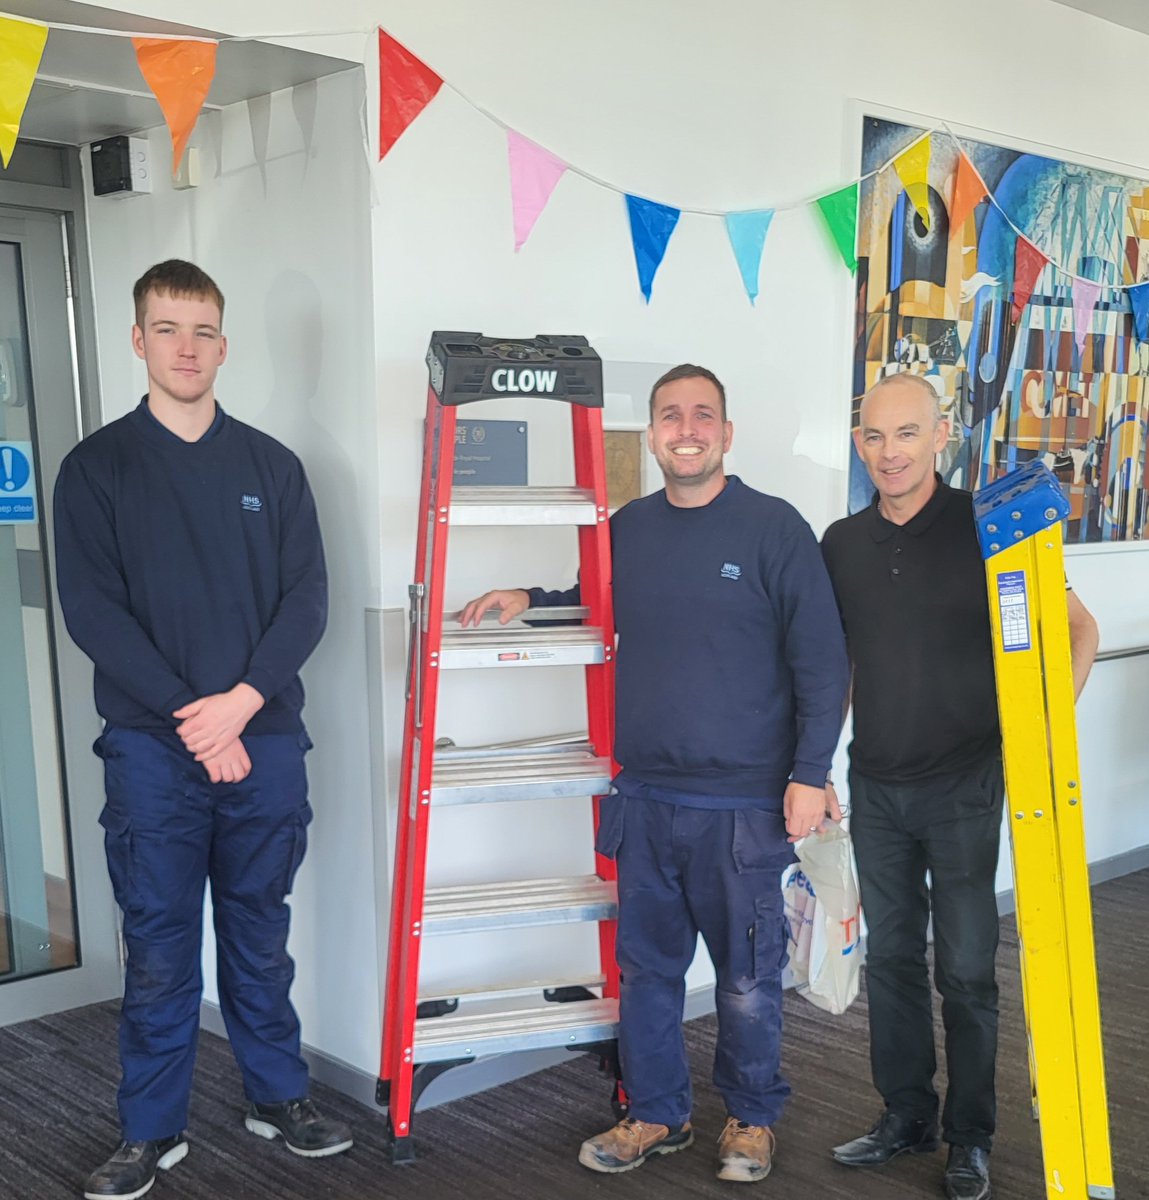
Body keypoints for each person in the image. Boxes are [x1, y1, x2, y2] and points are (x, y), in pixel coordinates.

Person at [460, 365, 849, 1183]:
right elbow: (594, 597)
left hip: (744, 805)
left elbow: (822, 664)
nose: (686, 428)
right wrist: (526, 594)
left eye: (702, 414)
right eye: (670, 415)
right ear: (653, 432)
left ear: (726, 433)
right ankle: (655, 1113)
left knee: (746, 979)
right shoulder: (627, 527)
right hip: (643, 798)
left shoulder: (774, 530)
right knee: (646, 974)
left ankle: (749, 1118)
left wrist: (810, 774)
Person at [53, 260, 351, 1200]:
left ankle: (279, 1096)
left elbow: (307, 601)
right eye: (168, 329)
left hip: (261, 743)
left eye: (204, 331)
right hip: (152, 754)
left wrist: (242, 705)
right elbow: (93, 613)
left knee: (261, 935)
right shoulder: (96, 468)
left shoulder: (272, 466)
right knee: (161, 944)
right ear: (137, 341)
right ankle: (150, 1132)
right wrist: (199, 720)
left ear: (225, 345)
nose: (188, 348)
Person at [820, 373, 1099, 1200]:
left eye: (904, 434)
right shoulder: (840, 542)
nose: (887, 453)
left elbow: (1079, 630)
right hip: (874, 782)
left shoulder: (991, 524)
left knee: (968, 968)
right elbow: (844, 663)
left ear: (942, 436)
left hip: (966, 785)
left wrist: (1041, 735)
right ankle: (905, 1114)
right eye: (872, 437)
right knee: (895, 960)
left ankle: (970, 1136)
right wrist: (815, 764)